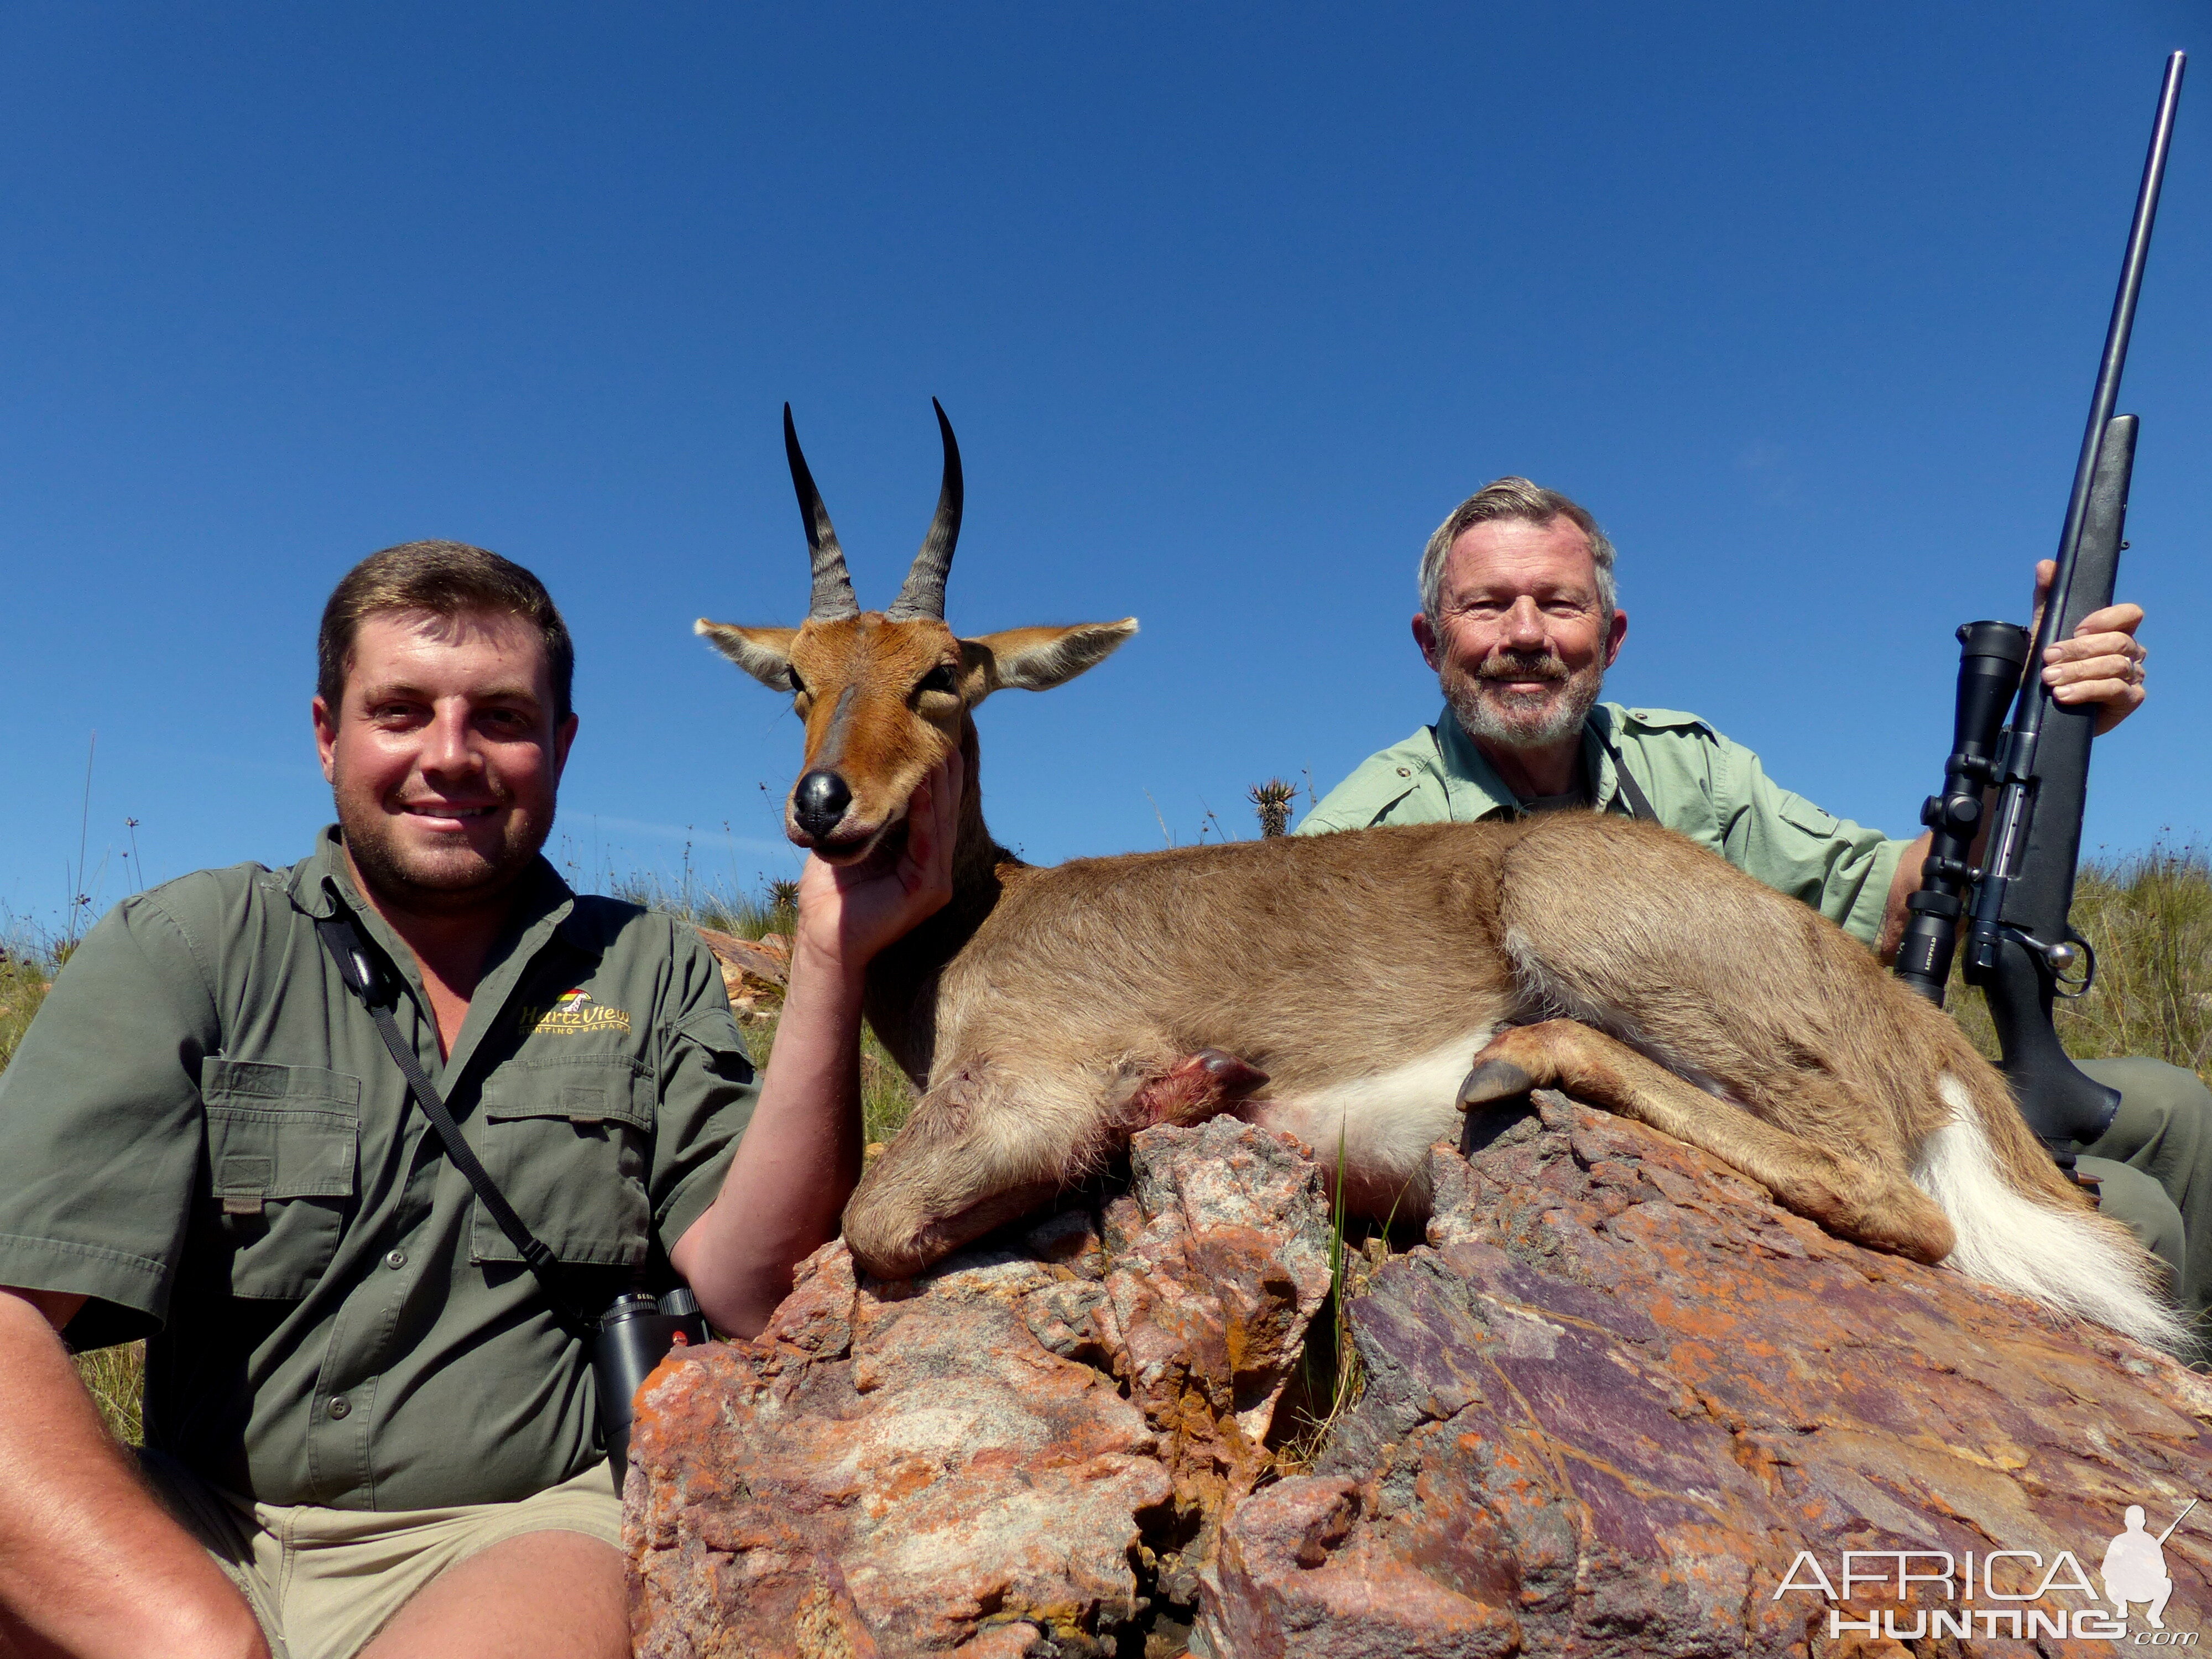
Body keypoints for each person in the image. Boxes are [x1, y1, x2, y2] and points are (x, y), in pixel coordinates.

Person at [0, 541, 959, 1659]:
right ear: (328, 736)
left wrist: (831, 959)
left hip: (522, 1535)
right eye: (400, 711)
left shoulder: (646, 965)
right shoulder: (188, 946)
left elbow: (752, 1288)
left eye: (500, 719)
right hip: (192, 1526)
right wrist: (193, 1637)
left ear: (560, 746)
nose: (449, 756)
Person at [1298, 478, 2212, 1337]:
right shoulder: (1363, 835)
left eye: (1560, 603)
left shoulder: (1688, 765)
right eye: (1488, 605)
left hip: (1802, 1066)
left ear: (1611, 638)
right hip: (1716, 1115)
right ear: (1430, 641)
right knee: (2139, 1219)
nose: (1526, 632)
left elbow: (1891, 903)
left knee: (2180, 1110)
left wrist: (2042, 739)